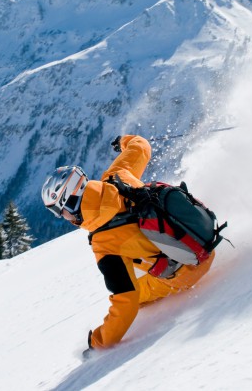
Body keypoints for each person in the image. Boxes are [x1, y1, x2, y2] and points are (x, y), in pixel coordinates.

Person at [41, 134, 215, 356]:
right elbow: (141, 147)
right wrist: (124, 141)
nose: (62, 217)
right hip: (200, 232)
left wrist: (98, 343)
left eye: (59, 211)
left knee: (137, 294)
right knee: (134, 260)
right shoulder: (117, 176)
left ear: (70, 204)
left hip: (191, 269)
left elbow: (126, 302)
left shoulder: (104, 243)